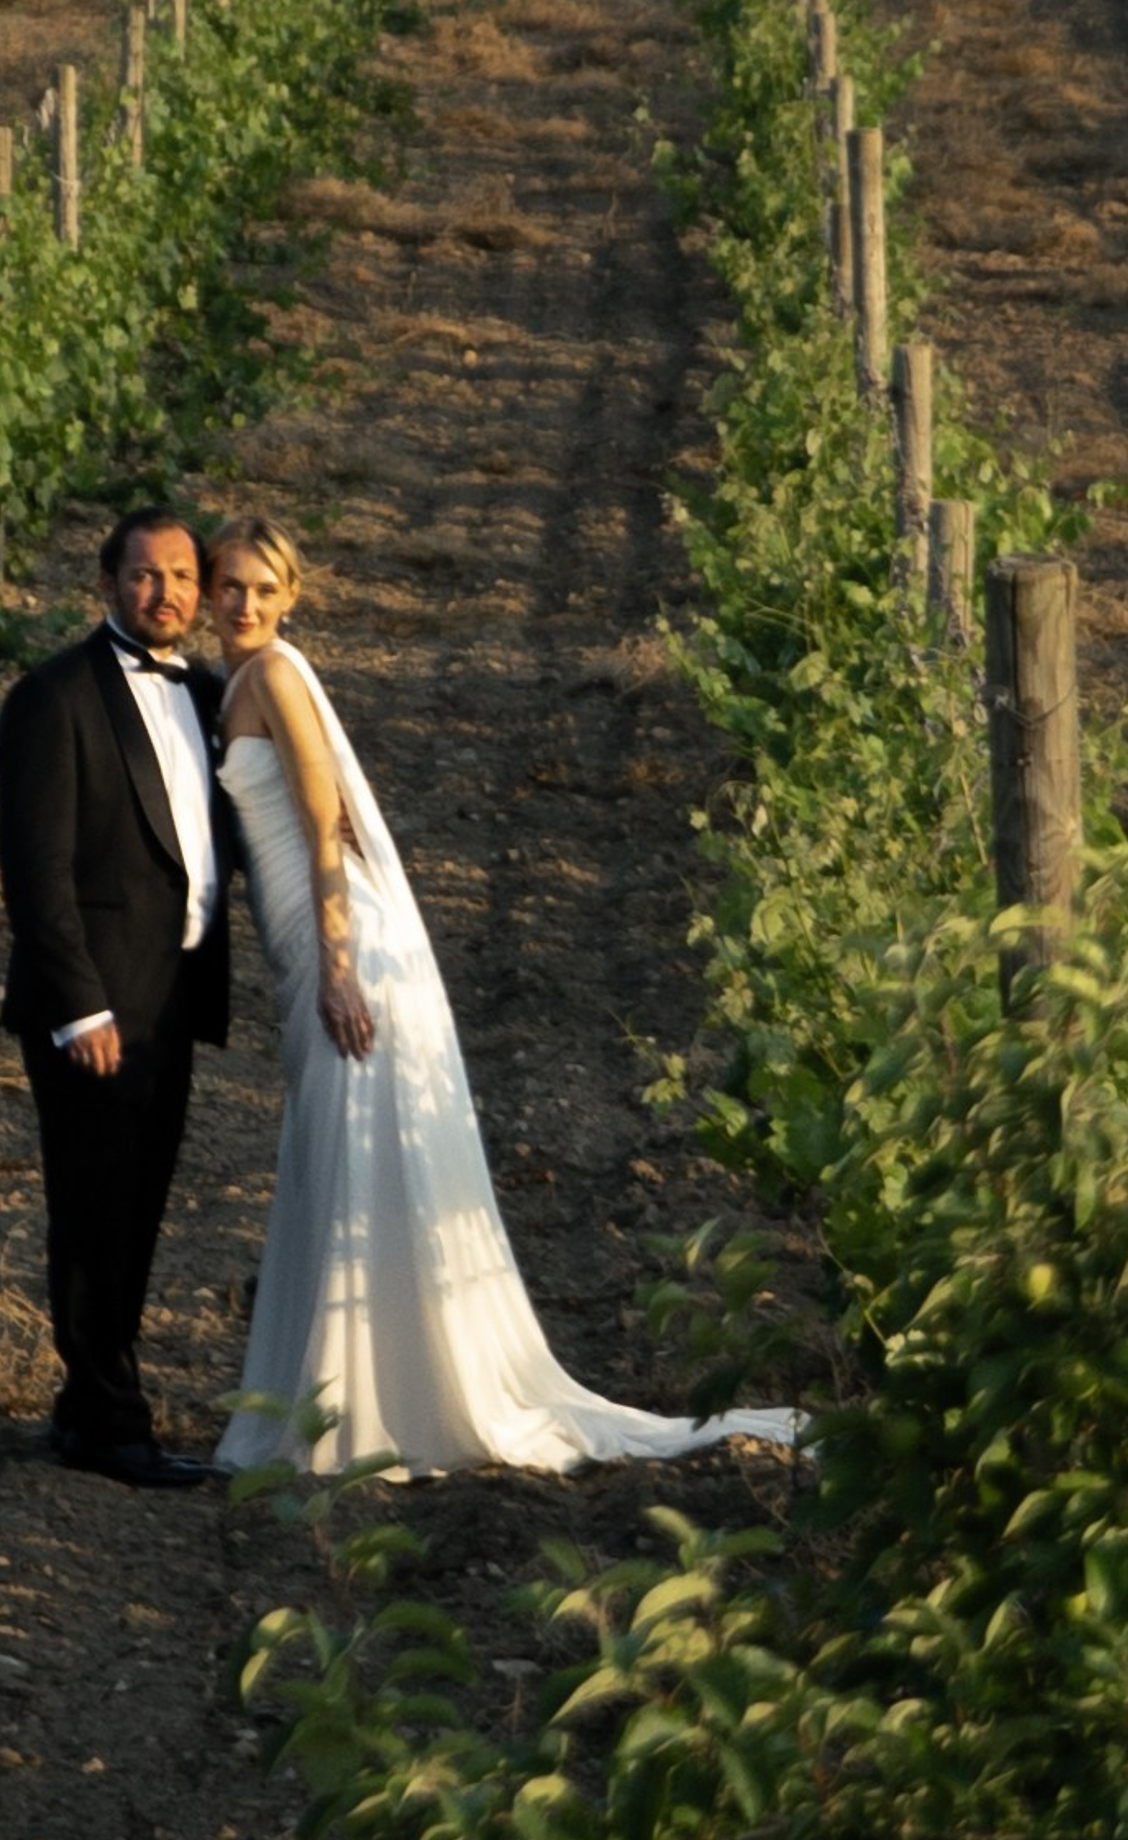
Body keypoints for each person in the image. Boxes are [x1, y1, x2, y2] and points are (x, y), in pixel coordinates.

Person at [206, 516, 801, 1479]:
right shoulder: (235, 678)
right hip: (305, 938)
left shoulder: (274, 674)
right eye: (230, 585)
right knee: (338, 1152)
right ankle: (353, 1393)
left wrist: (340, 966)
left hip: (340, 941)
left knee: (357, 1149)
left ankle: (374, 1404)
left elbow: (324, 825)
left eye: (262, 589)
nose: (243, 604)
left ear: (292, 598)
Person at [0, 506, 230, 1488]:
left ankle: (89, 1407)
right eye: (143, 575)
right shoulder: (55, 696)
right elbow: (35, 871)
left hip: (171, 1000)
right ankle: (107, 1423)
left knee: (136, 1212)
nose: (163, 592)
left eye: (180, 576)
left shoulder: (210, 694)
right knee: (94, 1215)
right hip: (94, 1010)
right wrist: (79, 1008)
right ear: (105, 584)